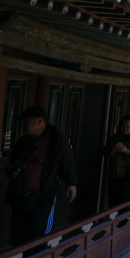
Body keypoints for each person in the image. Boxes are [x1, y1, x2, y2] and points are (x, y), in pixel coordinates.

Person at [5, 105, 77, 246]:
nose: (24, 125)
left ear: (39, 121)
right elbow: (12, 162)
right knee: (20, 234)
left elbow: (66, 163)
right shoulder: (23, 142)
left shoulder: (55, 139)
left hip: (44, 194)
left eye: (27, 121)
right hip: (21, 195)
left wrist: (71, 183)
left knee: (38, 232)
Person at [103, 116, 130, 206]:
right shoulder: (115, 138)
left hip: (126, 177)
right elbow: (105, 151)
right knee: (113, 201)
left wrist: (127, 152)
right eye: (123, 126)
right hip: (113, 175)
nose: (125, 128)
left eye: (128, 126)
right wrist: (114, 150)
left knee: (124, 202)